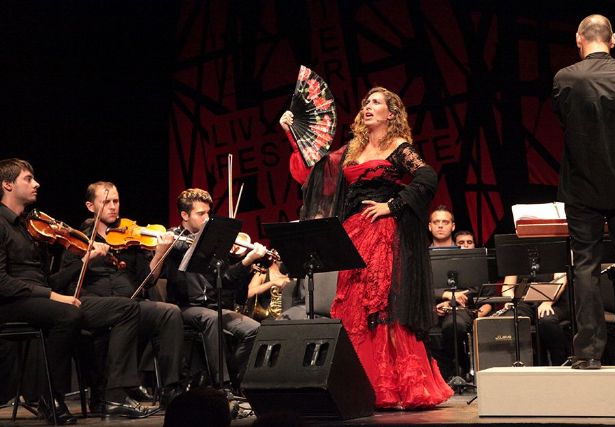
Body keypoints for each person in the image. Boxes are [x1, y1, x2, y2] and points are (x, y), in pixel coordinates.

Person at [280, 87, 452, 408]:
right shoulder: (352, 149)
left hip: (383, 234)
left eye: (376, 102)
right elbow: (315, 173)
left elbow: (427, 177)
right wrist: (294, 134)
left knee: (381, 304)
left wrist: (393, 205)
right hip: (353, 235)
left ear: (391, 113)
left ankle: (392, 387)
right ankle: (361, 386)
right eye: (366, 103)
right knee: (354, 306)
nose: (368, 107)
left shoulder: (397, 146)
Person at [552, 14, 615, 369]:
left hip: (582, 186)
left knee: (586, 266)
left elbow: (565, 121)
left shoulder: (565, 78)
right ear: (613, 39)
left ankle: (588, 352)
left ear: (579, 39)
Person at [62, 181, 184, 409]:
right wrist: (87, 258)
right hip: (94, 306)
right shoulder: (78, 240)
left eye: (115, 201)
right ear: (90, 206)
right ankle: (114, 392)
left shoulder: (131, 241)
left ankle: (171, 389)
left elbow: (148, 281)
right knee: (125, 310)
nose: (112, 206)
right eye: (106, 202)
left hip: (131, 306)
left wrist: (159, 254)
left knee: (170, 312)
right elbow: (64, 280)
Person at [0, 158, 90, 425]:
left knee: (84, 316)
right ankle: (50, 397)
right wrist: (52, 296)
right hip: (9, 302)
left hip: (33, 299)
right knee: (68, 315)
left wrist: (80, 263)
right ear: (7, 184)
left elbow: (46, 279)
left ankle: (104, 395)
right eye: (28, 179)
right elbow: (2, 282)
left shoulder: (28, 227)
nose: (36, 183)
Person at [164, 188, 266, 391]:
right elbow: (179, 248)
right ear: (185, 215)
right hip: (186, 307)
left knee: (255, 330)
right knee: (212, 318)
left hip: (213, 307)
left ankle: (236, 378)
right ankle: (223, 386)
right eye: (200, 213)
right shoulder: (173, 238)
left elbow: (226, 279)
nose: (206, 218)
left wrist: (247, 261)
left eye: (208, 213)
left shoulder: (213, 243)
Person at [432, 229, 492, 379]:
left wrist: (478, 313)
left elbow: (487, 297)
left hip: (465, 311)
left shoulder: (480, 266)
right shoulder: (444, 264)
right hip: (437, 310)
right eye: (461, 243)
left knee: (454, 325)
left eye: (469, 242)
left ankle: (459, 368)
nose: (465, 246)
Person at [501, 273, 571, 365]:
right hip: (525, 302)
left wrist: (547, 302)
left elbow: (561, 280)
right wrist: (511, 301)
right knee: (513, 318)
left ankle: (559, 361)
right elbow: (507, 286)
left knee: (547, 320)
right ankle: (526, 362)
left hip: (554, 301)